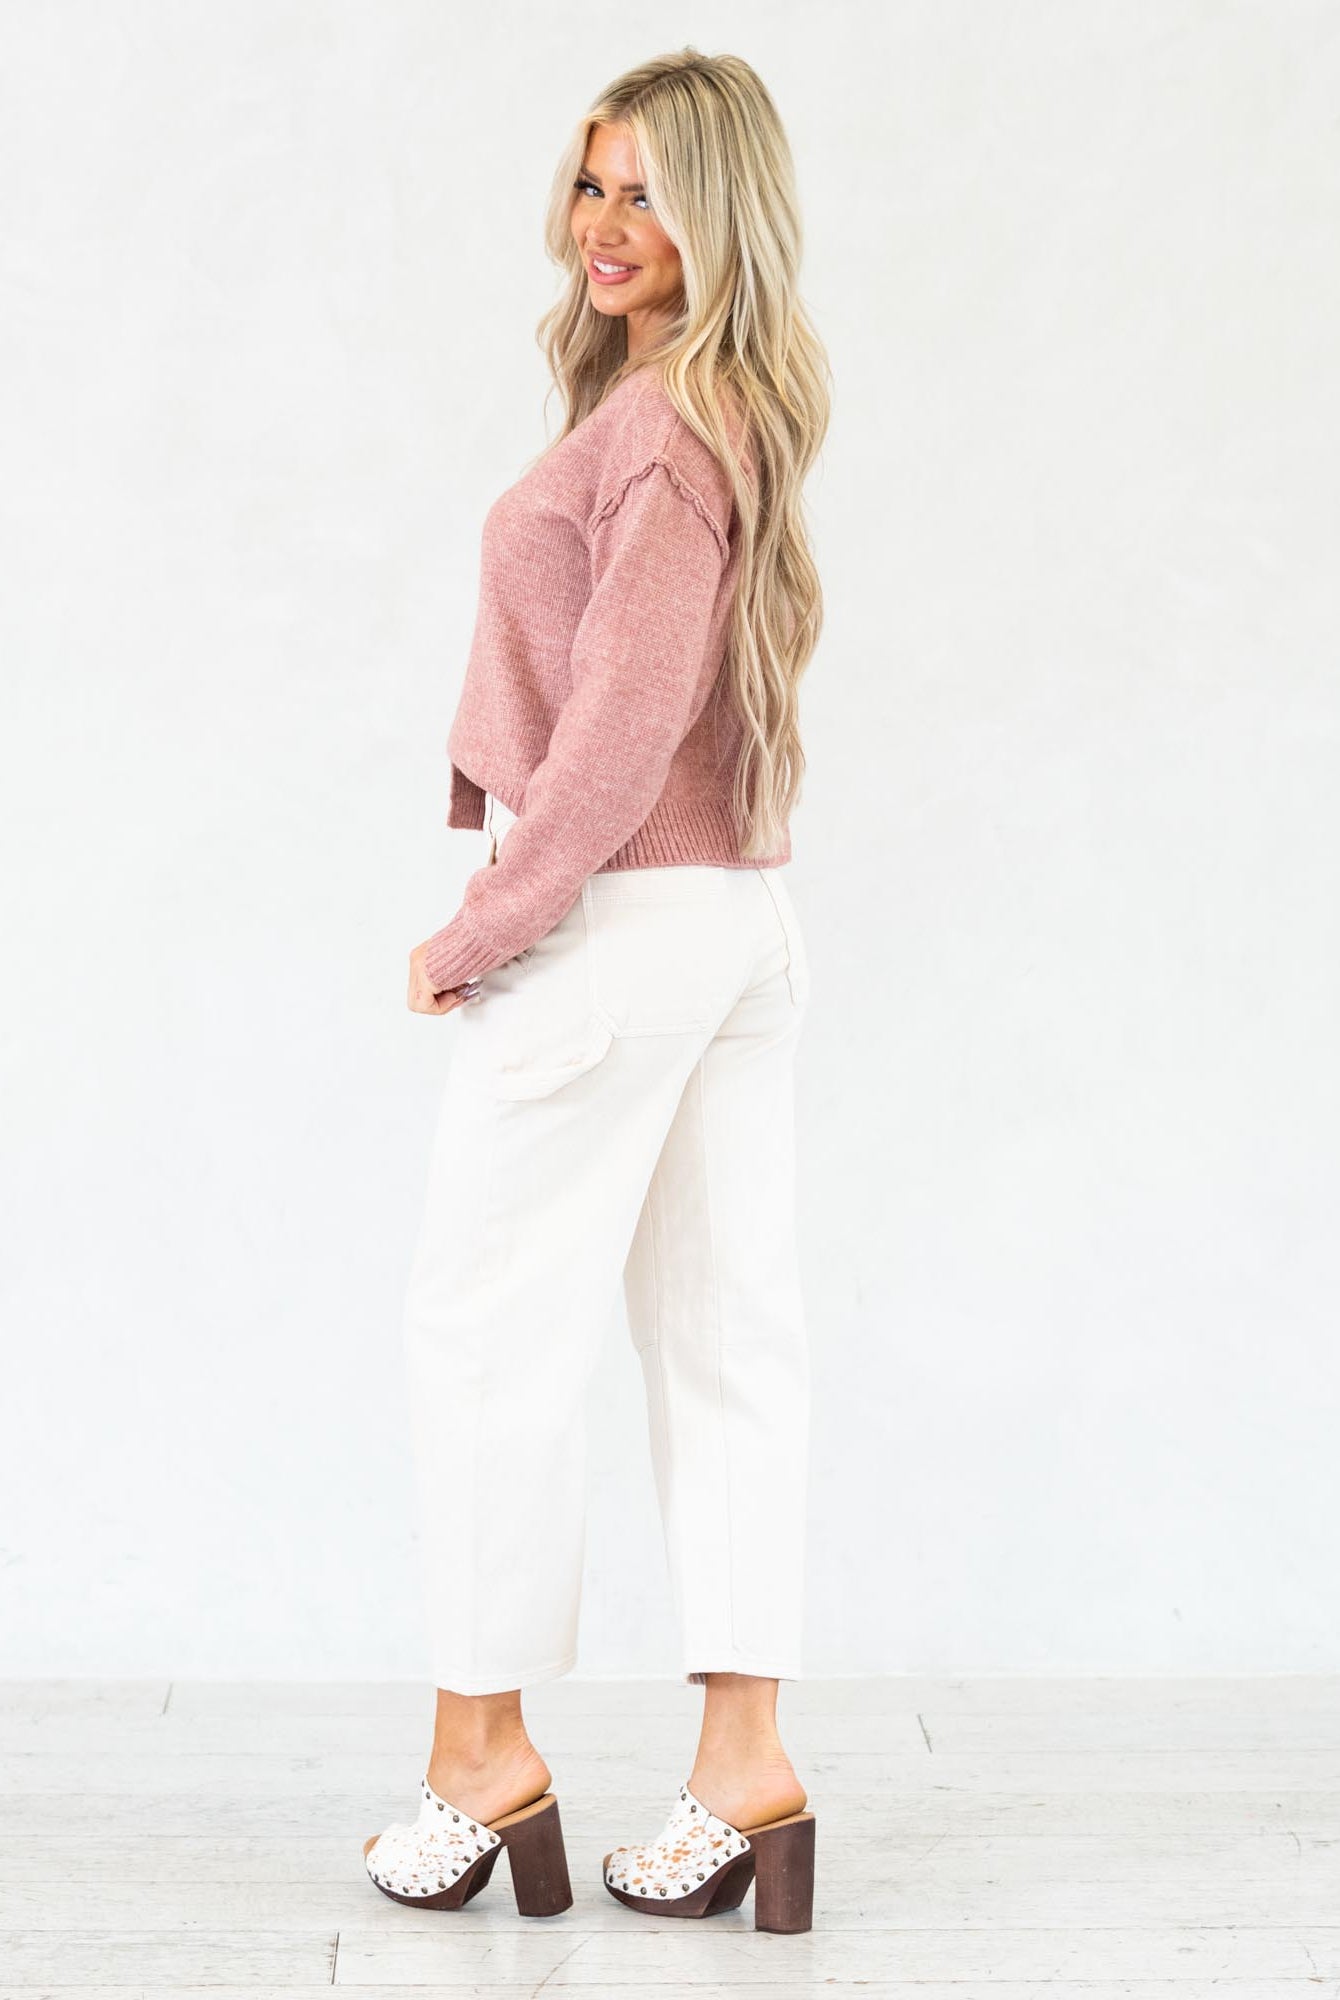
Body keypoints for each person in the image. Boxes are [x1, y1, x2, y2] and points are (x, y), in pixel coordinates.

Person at [364, 47, 831, 1936]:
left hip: (615, 929)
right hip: (732, 925)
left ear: (722, 216)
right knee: (728, 1341)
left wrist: (481, 926)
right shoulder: (714, 412)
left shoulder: (662, 432)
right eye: (591, 186)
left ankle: (480, 1755)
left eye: (648, 194)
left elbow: (623, 727)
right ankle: (747, 1768)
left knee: (486, 1330)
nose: (606, 227)